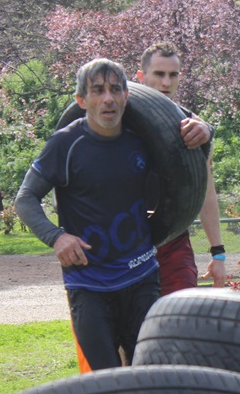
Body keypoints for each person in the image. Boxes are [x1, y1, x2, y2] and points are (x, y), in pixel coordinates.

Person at [15, 58, 163, 373]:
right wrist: (57, 237)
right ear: (82, 100)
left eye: (115, 89)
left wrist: (202, 131)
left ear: (127, 95)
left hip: (141, 276)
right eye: (97, 91)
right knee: (106, 379)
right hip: (89, 283)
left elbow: (186, 155)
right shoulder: (65, 145)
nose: (107, 98)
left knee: (149, 374)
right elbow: (26, 198)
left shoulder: (146, 139)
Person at [136, 42, 227, 293]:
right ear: (141, 77)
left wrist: (218, 254)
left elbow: (206, 195)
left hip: (173, 241)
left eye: (173, 75)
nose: (166, 82)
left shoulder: (194, 129)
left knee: (182, 319)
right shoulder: (117, 120)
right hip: (126, 241)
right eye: (159, 74)